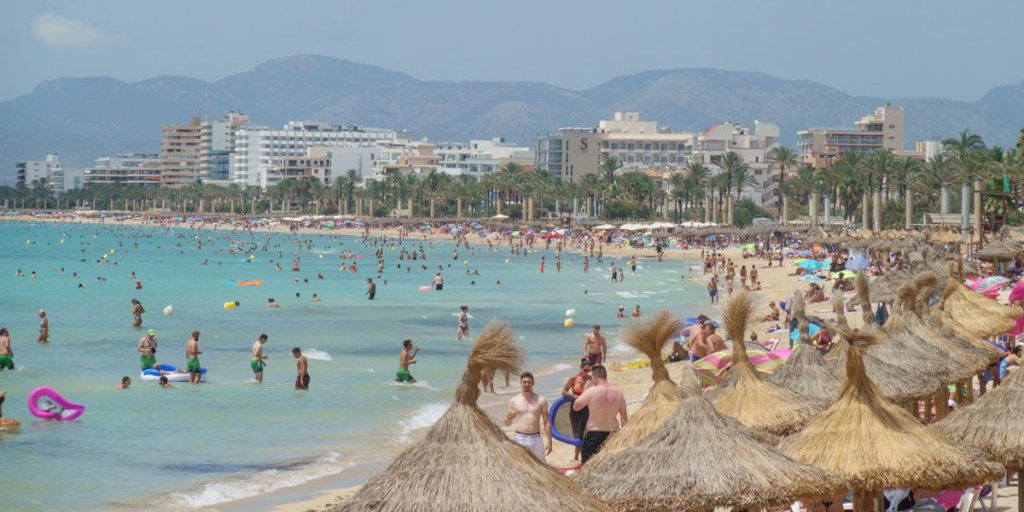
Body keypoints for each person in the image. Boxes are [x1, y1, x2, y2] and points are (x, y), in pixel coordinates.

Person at [572, 365, 627, 464]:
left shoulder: (592, 391)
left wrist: (585, 390)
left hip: (595, 435)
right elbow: (624, 419)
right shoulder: (618, 392)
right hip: (613, 434)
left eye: (592, 378)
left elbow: (576, 406)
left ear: (595, 377)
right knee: (611, 466)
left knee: (589, 467)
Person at [505, 372, 552, 462]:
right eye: (524, 382)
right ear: (521, 383)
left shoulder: (541, 400)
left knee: (541, 465)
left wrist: (550, 441)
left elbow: (546, 422)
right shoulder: (513, 401)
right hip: (520, 438)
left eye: (529, 382)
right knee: (520, 465)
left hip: (536, 438)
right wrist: (508, 418)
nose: (526, 384)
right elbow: (507, 424)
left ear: (533, 383)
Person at [562, 358, 593, 462]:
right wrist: (574, 396)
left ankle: (583, 455)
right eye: (585, 370)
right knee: (577, 433)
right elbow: (563, 391)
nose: (587, 372)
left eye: (589, 370)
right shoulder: (574, 378)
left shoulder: (590, 379)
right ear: (580, 368)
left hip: (587, 407)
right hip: (575, 408)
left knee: (586, 432)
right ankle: (576, 457)